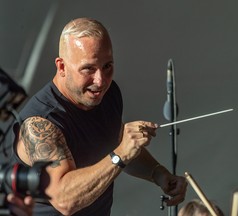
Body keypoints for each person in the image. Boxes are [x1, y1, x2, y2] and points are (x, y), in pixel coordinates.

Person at [10, 17, 187, 215]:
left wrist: (158, 174)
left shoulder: (108, 95)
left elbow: (117, 140)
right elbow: (64, 200)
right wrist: (121, 154)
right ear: (61, 67)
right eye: (88, 69)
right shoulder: (40, 123)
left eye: (107, 66)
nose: (100, 81)